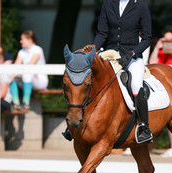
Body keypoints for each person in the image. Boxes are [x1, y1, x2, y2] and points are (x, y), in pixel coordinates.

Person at [63, 0, 153, 144]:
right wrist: (93, 49)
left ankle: (144, 127)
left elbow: (147, 38)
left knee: (136, 85)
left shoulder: (140, 6)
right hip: (110, 54)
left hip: (132, 57)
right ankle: (73, 124)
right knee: (88, 80)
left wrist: (132, 53)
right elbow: (102, 33)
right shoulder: (108, 4)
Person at [10, 30, 48, 111]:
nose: (20, 41)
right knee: (11, 77)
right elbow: (15, 67)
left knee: (26, 73)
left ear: (30, 40)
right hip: (27, 80)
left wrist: (16, 73)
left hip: (39, 80)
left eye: (22, 39)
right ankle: (16, 103)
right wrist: (12, 75)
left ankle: (25, 103)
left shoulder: (37, 50)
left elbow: (30, 66)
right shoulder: (21, 52)